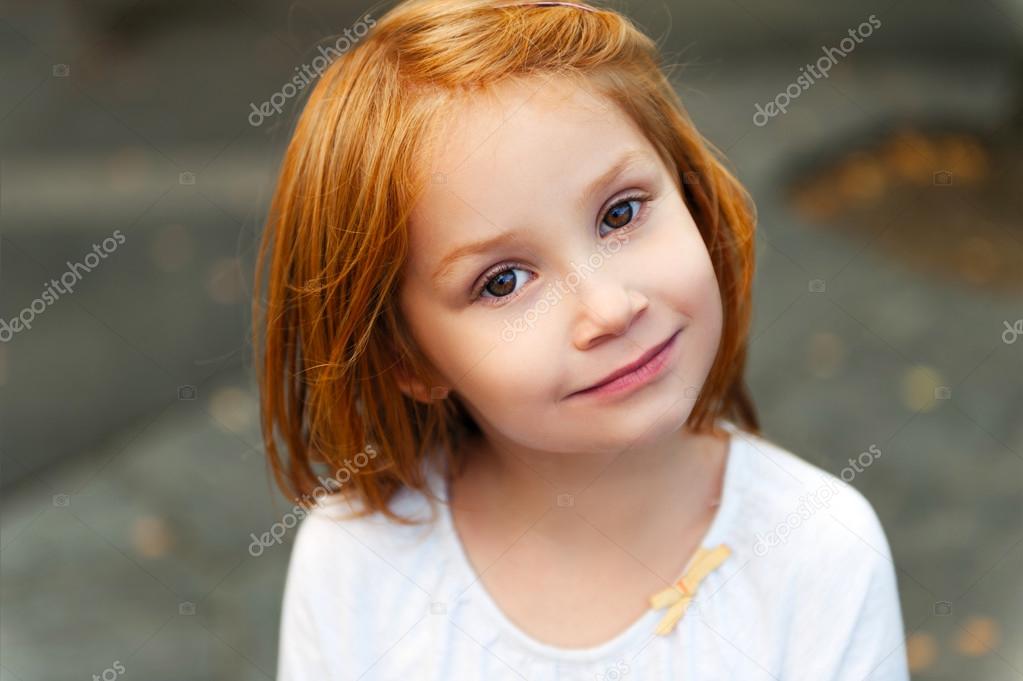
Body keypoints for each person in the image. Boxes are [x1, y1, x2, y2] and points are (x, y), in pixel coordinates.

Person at [252, 0, 910, 678]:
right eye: (503, 281)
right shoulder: (359, 561)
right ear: (408, 358)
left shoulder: (819, 552)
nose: (608, 307)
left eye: (619, 213)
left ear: (690, 194)